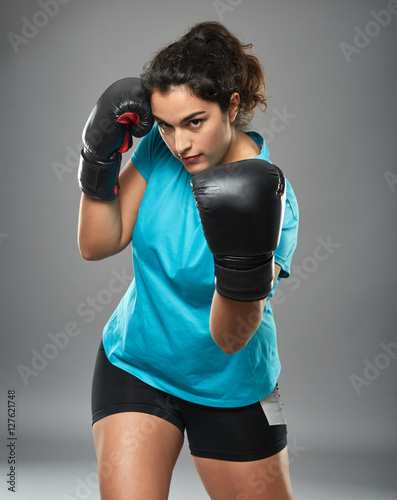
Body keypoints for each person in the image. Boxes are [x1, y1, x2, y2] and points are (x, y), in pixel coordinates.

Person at [77, 21, 299, 500]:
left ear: (232, 106)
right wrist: (98, 160)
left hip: (231, 386)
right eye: (165, 124)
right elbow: (99, 242)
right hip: (138, 364)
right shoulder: (163, 150)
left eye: (195, 121)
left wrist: (242, 249)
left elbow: (229, 337)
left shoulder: (273, 201)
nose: (181, 144)